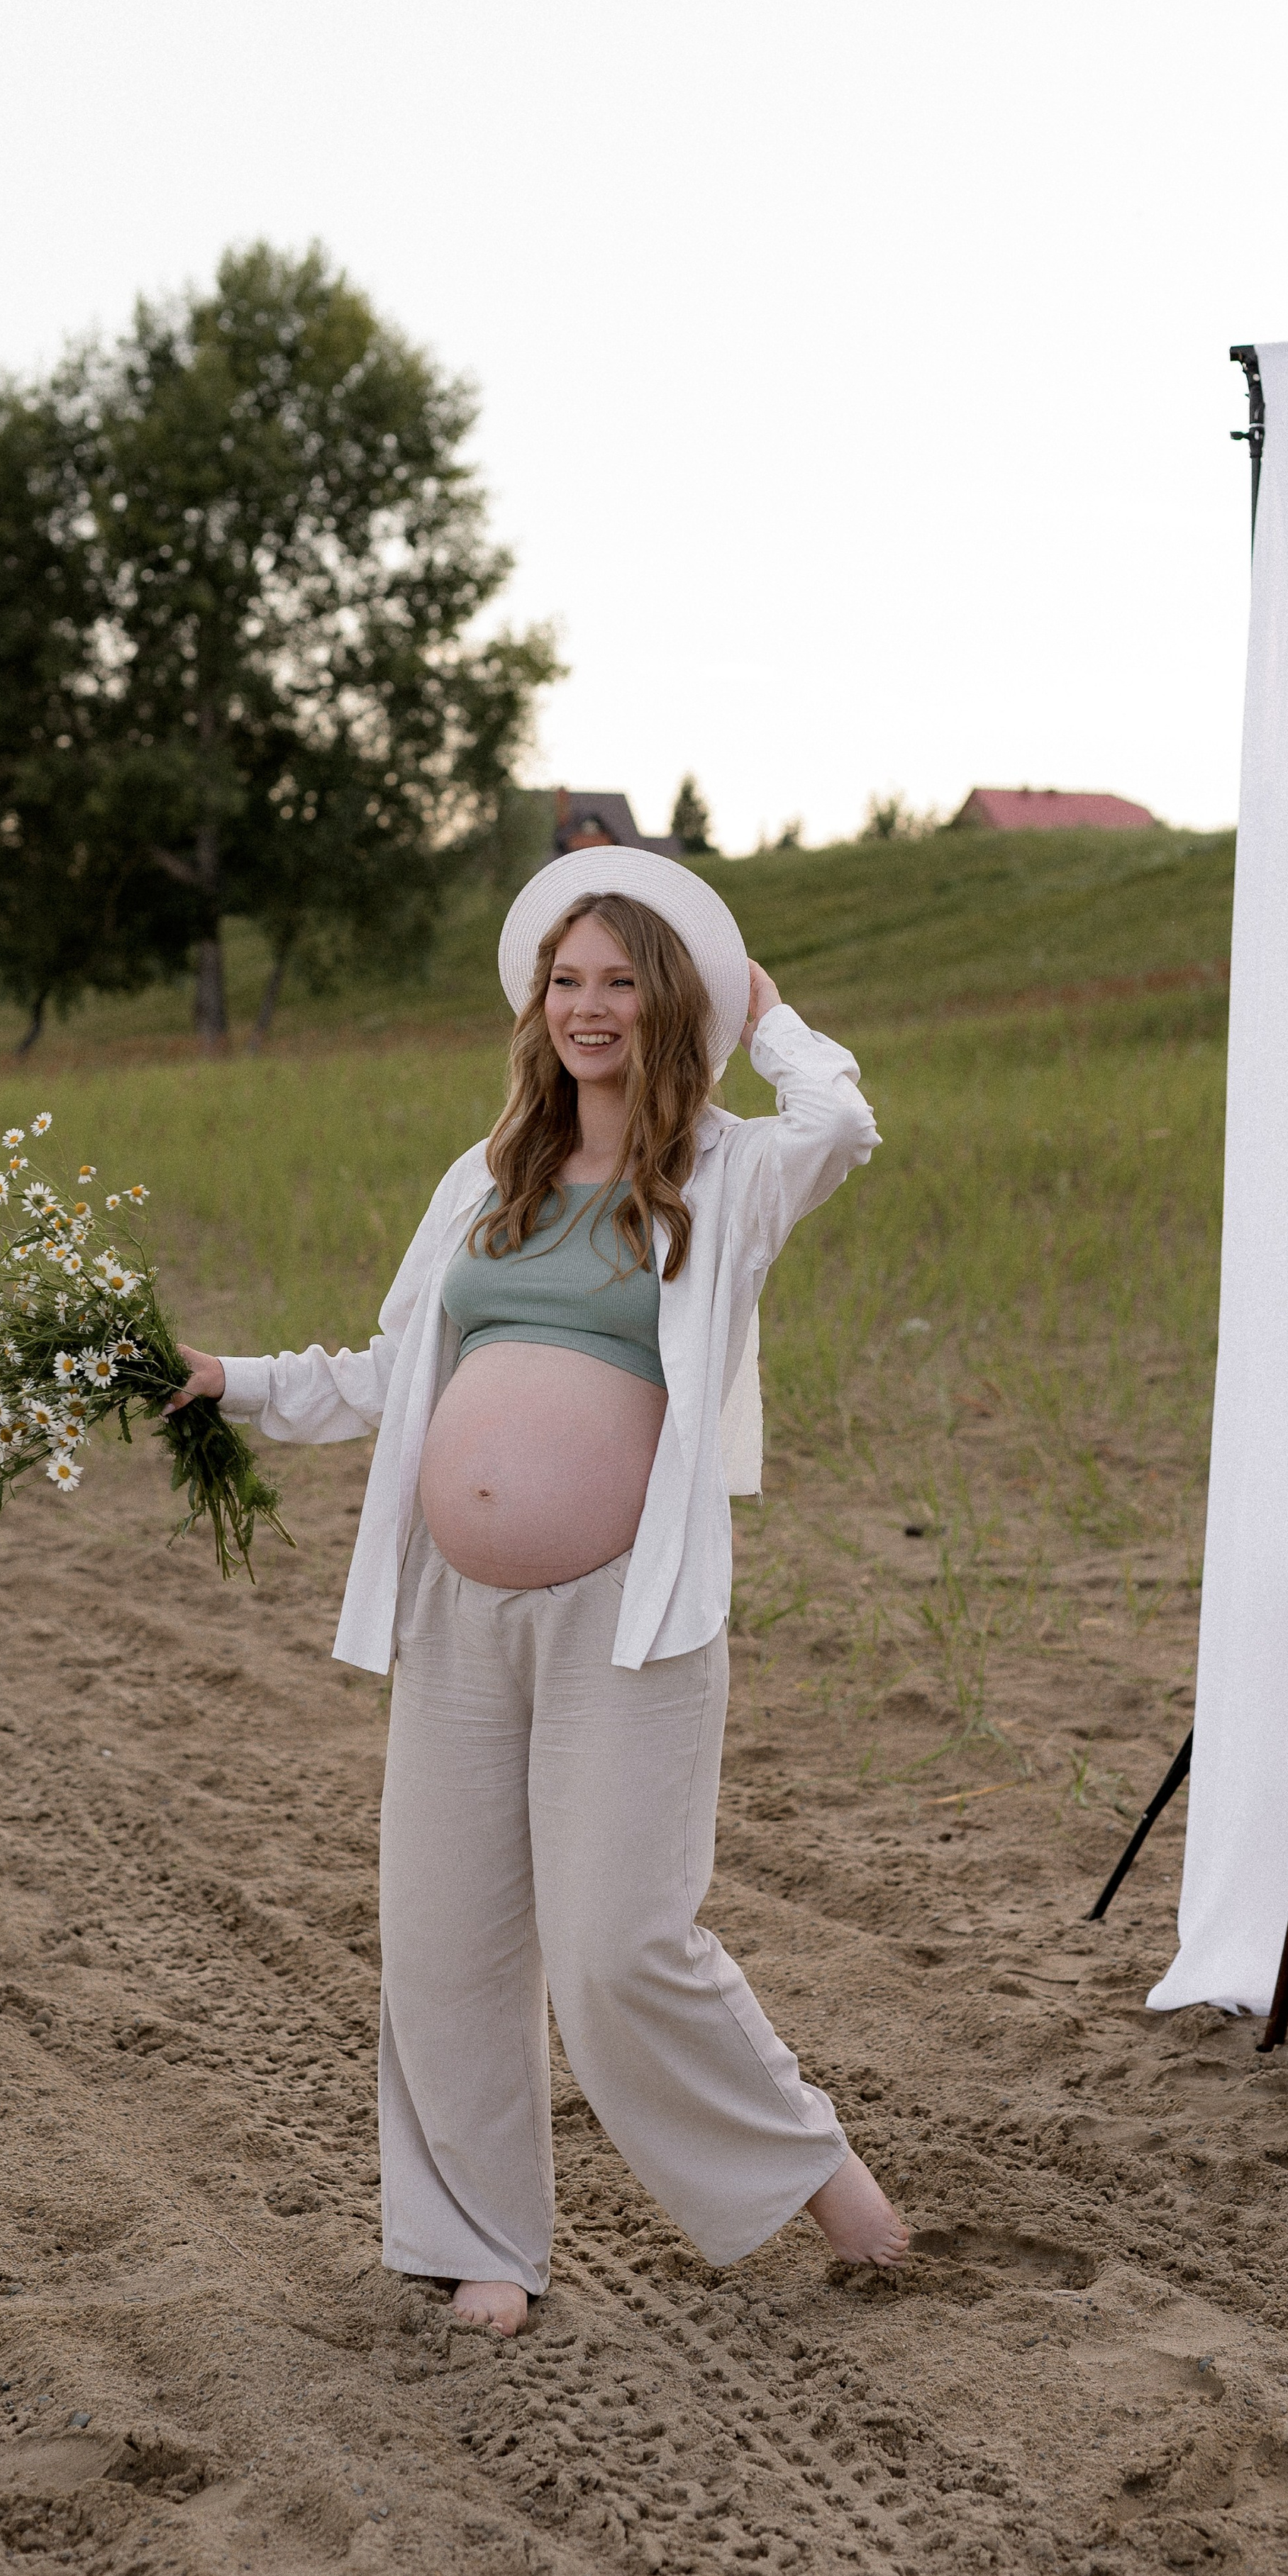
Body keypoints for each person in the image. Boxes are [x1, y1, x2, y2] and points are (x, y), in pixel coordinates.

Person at [167, 846, 909, 2336]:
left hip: (619, 1613)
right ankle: (480, 2243)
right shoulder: (483, 1178)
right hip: (454, 1608)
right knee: (443, 1938)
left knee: (619, 1944)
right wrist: (221, 1381)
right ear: (536, 1004)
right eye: (565, 981)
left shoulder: (721, 1172)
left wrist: (763, 1010)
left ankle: (824, 2179)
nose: (587, 1007)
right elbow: (389, 1374)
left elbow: (841, 1121)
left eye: (620, 981)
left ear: (666, 1000)